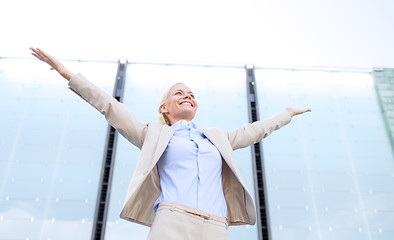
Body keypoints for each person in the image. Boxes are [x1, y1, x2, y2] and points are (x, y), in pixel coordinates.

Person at [30, 47, 311, 240]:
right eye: (179, 93)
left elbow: (256, 130)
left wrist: (285, 115)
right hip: (172, 222)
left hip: (216, 227)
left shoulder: (218, 138)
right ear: (164, 107)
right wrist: (66, 72)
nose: (188, 96)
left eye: (191, 94)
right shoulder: (152, 134)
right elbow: (110, 107)